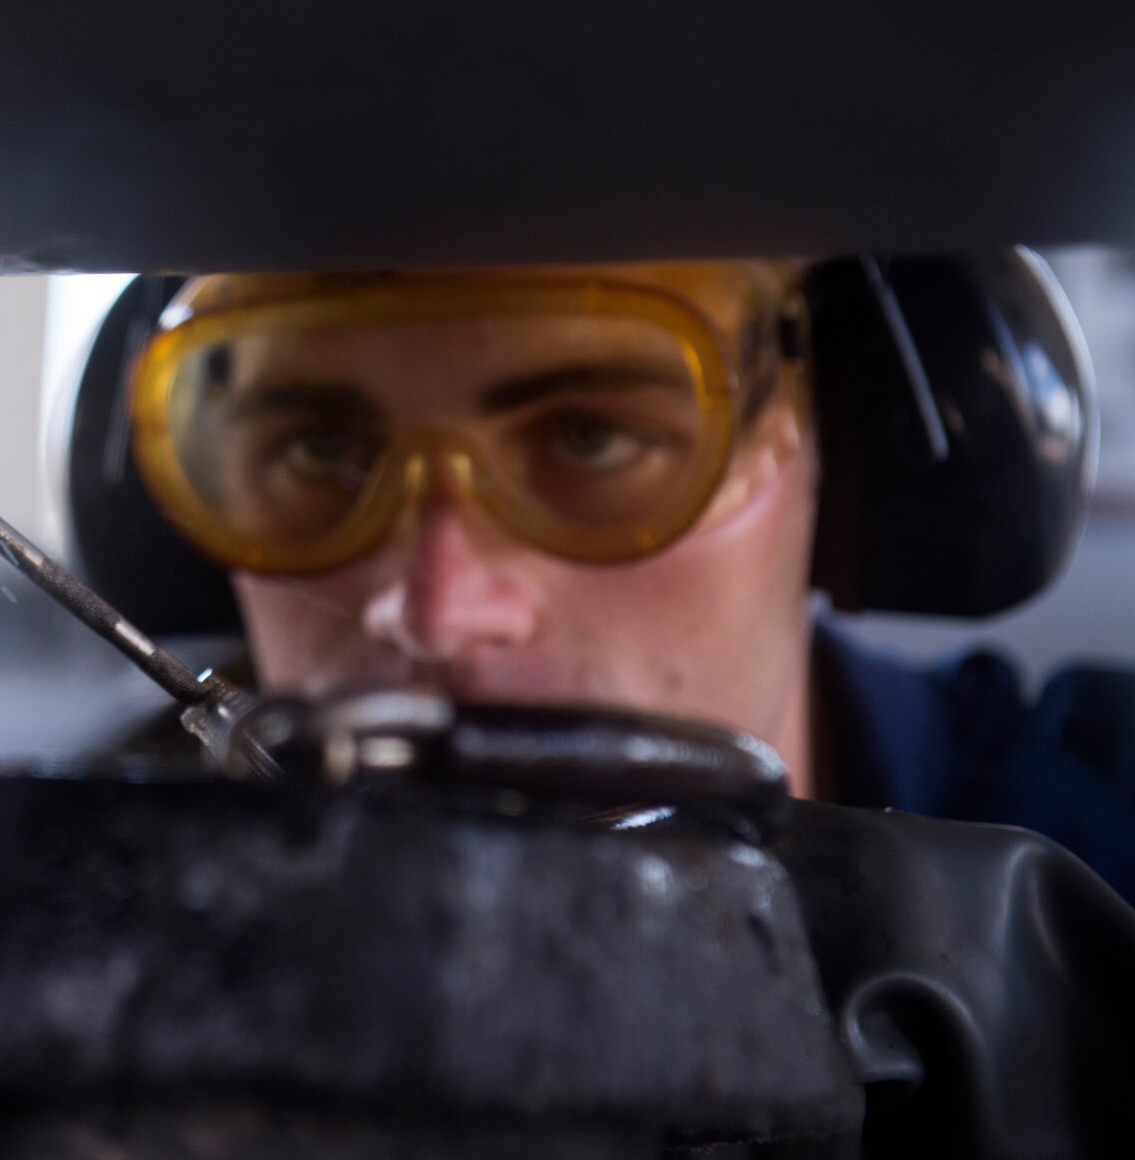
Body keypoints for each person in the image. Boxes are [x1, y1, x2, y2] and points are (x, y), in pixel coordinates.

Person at [68, 253, 1135, 900]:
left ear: (835, 441)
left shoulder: (1093, 858)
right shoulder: (79, 907)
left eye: (590, 437)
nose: (438, 615)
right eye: (314, 450)